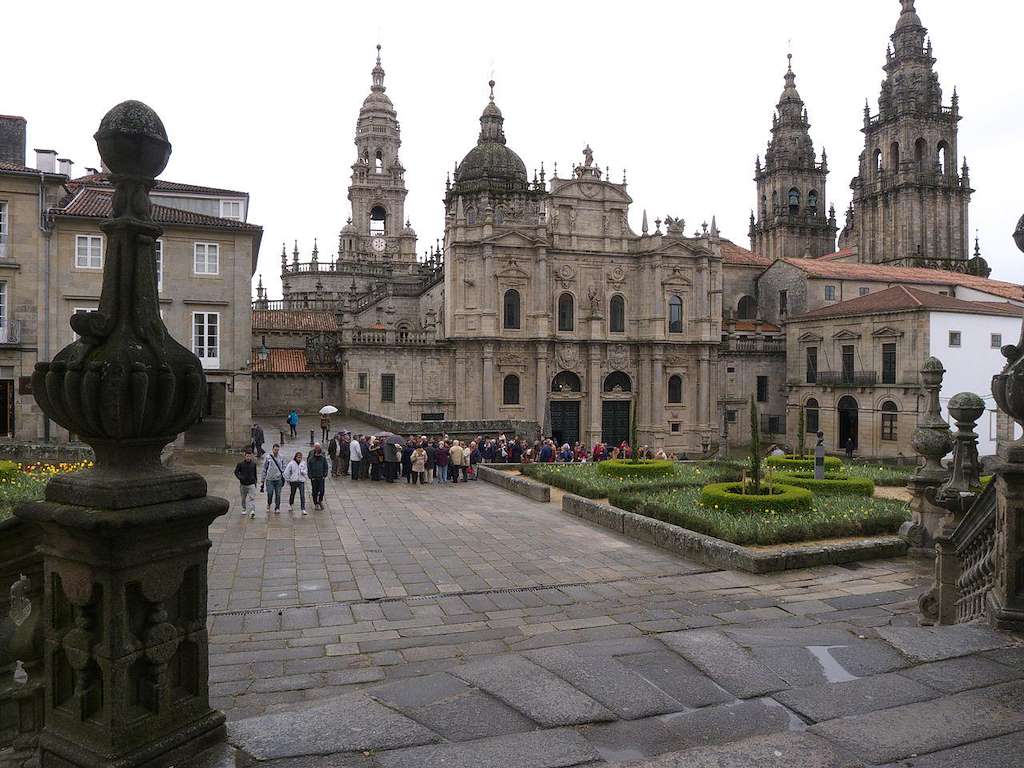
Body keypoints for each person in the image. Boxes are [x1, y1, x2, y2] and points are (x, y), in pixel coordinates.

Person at [261, 444, 286, 515]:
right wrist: (262, 479)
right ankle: (269, 503)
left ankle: (277, 507)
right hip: (269, 479)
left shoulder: (281, 457)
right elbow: (264, 468)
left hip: (278, 479)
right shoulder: (268, 457)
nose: (276, 451)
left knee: (278, 494)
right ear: (272, 449)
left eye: (277, 450)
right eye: (275, 449)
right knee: (270, 493)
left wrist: (282, 473)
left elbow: (284, 466)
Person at [234, 449, 258, 519]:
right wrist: (240, 477)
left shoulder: (253, 464)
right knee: (243, 498)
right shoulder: (240, 464)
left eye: (249, 456)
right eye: (247, 456)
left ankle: (252, 511)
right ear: (245, 456)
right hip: (243, 484)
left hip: (251, 484)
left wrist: (255, 482)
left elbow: (255, 473)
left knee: (252, 498)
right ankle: (244, 508)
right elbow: (236, 472)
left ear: (251, 456)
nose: (248, 458)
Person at [284, 450, 308, 515]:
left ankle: (303, 509)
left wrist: (303, 472)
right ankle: (291, 504)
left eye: (300, 457)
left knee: (302, 495)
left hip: (301, 481)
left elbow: (306, 471)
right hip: (293, 481)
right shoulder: (291, 463)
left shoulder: (303, 463)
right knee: (292, 493)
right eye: (298, 457)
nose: (299, 458)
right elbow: (286, 472)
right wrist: (288, 479)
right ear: (296, 457)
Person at [307, 443, 329, 511]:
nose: (317, 449)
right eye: (316, 447)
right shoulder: (311, 458)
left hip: (321, 477)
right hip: (314, 477)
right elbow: (309, 467)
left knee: (322, 490)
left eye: (318, 447)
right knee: (314, 491)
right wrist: (310, 476)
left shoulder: (322, 457)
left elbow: (326, 466)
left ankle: (320, 500)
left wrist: (325, 474)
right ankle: (316, 503)